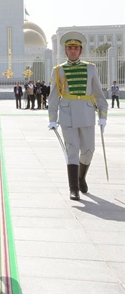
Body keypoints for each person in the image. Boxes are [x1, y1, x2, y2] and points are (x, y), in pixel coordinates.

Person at [48, 31, 108, 201]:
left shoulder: (90, 68)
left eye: (75, 48)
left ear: (80, 51)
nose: (73, 51)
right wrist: (52, 119)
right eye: (69, 48)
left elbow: (98, 93)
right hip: (67, 114)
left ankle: (81, 178)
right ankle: (73, 188)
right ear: (65, 51)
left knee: (88, 151)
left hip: (87, 113)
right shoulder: (58, 70)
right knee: (71, 151)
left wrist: (103, 115)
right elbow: (53, 97)